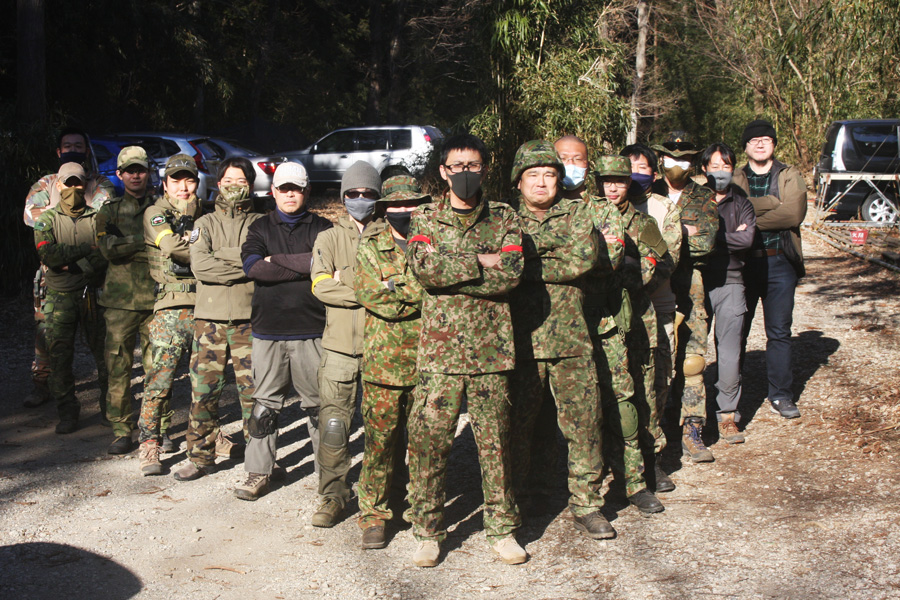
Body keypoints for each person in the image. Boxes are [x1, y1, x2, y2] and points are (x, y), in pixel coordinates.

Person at [405, 133, 527, 567]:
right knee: (430, 443)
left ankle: (502, 530)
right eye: (457, 166)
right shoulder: (425, 217)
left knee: (496, 445)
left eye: (473, 165)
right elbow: (424, 270)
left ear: (485, 169)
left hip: (491, 352)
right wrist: (480, 260)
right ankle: (428, 532)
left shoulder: (505, 217)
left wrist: (453, 269)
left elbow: (511, 273)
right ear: (443, 171)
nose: (465, 173)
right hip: (440, 355)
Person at [506, 141, 615, 538]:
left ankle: (587, 503)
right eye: (533, 175)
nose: (542, 182)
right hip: (522, 343)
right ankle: (520, 497)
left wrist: (529, 261)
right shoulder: (504, 219)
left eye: (550, 175)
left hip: (572, 341)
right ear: (519, 181)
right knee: (519, 427)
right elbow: (506, 267)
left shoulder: (579, 213)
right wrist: (549, 256)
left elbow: (583, 259)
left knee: (584, 424)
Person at [236, 162, 333, 500]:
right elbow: (254, 269)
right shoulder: (259, 227)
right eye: (284, 188)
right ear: (273, 191)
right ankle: (258, 472)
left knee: (319, 407)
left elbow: (327, 264)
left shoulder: (324, 228)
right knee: (263, 407)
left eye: (297, 188)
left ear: (307, 191)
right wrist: (306, 265)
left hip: (313, 330)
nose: (290, 194)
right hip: (269, 331)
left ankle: (329, 475)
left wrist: (275, 260)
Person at [308, 161, 387, 527]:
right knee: (334, 428)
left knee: (383, 429)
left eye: (367, 193)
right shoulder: (328, 238)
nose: (360, 198)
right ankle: (333, 495)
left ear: (377, 196)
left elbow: (401, 286)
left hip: (382, 348)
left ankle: (381, 497)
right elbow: (321, 286)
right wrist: (374, 287)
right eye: (352, 193)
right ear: (343, 197)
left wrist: (346, 278)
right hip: (338, 350)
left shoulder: (390, 235)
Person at [174, 157, 263, 481]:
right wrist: (243, 261)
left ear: (250, 185)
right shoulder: (205, 223)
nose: (233, 186)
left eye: (240, 181)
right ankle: (200, 457)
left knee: (255, 394)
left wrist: (225, 257)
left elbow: (264, 263)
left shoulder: (261, 224)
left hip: (249, 319)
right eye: (228, 181)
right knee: (203, 393)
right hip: (209, 321)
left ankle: (260, 460)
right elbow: (201, 267)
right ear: (218, 183)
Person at [354, 174, 430, 549]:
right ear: (385, 209)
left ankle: (421, 510)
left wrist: (397, 287)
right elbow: (373, 297)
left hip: (428, 362)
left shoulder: (435, 241)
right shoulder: (371, 245)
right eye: (397, 205)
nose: (405, 210)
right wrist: (422, 290)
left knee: (424, 444)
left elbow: (447, 286)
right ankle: (374, 516)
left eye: (411, 203)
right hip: (383, 366)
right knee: (379, 445)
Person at [595, 155, 670, 514]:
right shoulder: (586, 217)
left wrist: (633, 271)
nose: (612, 187)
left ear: (629, 184)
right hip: (597, 319)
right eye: (606, 181)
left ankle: (646, 467)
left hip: (637, 317)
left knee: (643, 397)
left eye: (620, 181)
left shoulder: (643, 223)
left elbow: (662, 261)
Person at [23, 127, 114, 409]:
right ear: (58, 151)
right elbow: (32, 216)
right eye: (67, 146)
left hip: (92, 278)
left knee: (100, 337)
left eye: (78, 145)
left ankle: (110, 397)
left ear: (86, 151)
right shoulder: (45, 183)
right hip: (52, 277)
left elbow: (104, 217)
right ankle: (42, 383)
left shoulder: (99, 183)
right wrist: (72, 228)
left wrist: (61, 227)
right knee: (46, 333)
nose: (72, 150)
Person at [650, 131, 719, 463]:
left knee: (692, 359)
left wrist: (664, 236)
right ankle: (655, 430)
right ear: (661, 159)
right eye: (672, 158)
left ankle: (693, 429)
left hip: (690, 284)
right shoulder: (647, 193)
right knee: (655, 358)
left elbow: (706, 244)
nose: (677, 164)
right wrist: (684, 232)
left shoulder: (704, 197)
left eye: (685, 159)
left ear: (693, 162)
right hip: (653, 285)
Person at [732, 119, 807, 419]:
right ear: (746, 147)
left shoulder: (789, 174)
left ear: (774, 144)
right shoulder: (735, 176)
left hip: (780, 262)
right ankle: (731, 395)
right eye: (754, 140)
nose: (760, 143)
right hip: (743, 264)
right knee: (736, 330)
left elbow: (793, 214)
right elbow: (729, 213)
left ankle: (781, 394)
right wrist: (772, 202)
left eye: (766, 139)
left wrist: (749, 219)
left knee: (779, 332)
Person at [136, 154, 204, 475]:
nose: (183, 187)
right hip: (170, 307)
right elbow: (173, 247)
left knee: (206, 381)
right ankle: (150, 443)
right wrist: (204, 249)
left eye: (189, 180)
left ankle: (206, 437)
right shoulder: (155, 213)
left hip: (205, 305)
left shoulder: (206, 214)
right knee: (160, 380)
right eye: (176, 181)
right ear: (165, 184)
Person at [621, 143, 681, 492]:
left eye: (641, 167)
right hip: (611, 313)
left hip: (654, 308)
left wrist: (631, 284)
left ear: (653, 173)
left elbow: (666, 260)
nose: (633, 174)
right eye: (627, 167)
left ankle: (652, 460)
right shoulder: (597, 209)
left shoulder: (660, 210)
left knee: (655, 385)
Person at [32, 163, 108, 433]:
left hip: (93, 295)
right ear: (58, 185)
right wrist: (86, 249)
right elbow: (48, 255)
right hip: (59, 297)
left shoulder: (99, 218)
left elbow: (105, 254)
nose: (73, 188)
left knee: (105, 356)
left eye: (78, 183)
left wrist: (74, 263)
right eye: (68, 183)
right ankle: (67, 413)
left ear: (85, 185)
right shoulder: (46, 219)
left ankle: (110, 410)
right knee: (60, 358)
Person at [95, 146, 156, 455]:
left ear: (148, 172)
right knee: (118, 368)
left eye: (140, 170)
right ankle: (121, 430)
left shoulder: (161, 208)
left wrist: (125, 245)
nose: (135, 175)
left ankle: (155, 428)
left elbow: (171, 247)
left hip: (156, 300)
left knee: (158, 368)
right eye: (129, 170)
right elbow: (107, 249)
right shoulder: (108, 211)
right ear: (119, 175)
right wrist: (145, 242)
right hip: (119, 304)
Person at [699, 143, 757, 443]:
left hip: (732, 282)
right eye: (715, 166)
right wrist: (730, 236)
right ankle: (689, 415)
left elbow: (746, 241)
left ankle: (727, 416)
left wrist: (708, 236)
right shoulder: (694, 199)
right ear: (704, 168)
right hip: (697, 282)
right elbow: (685, 239)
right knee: (690, 353)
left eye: (726, 166)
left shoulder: (742, 202)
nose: (721, 171)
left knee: (730, 353)